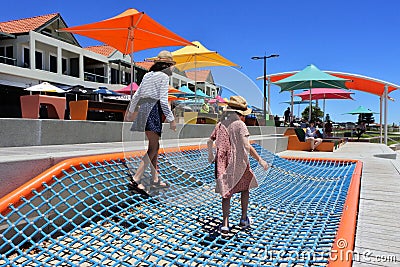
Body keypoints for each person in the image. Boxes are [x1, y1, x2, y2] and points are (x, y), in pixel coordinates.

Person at [207, 96, 269, 234]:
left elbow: (209, 141)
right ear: (240, 114)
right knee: (245, 188)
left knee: (226, 194)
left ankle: (225, 224)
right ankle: (243, 218)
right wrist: (260, 160)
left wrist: (211, 155)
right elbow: (246, 145)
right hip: (239, 163)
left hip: (223, 164)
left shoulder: (221, 124)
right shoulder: (240, 125)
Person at [126, 50, 177, 194]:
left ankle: (155, 178)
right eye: (171, 65)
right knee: (153, 148)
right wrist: (171, 120)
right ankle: (136, 178)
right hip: (154, 109)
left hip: (143, 109)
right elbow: (163, 100)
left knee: (155, 145)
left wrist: (130, 112)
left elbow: (137, 95)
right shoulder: (163, 77)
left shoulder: (147, 75)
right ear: (166, 65)